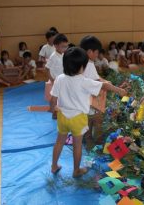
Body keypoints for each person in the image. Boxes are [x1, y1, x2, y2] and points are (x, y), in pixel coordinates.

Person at [50, 47, 126, 177]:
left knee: (59, 142)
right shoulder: (83, 81)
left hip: (62, 116)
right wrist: (118, 90)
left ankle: (54, 166)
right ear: (81, 67)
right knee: (77, 145)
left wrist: (53, 110)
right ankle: (76, 170)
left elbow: (53, 99)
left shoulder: (60, 78)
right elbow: (104, 85)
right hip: (78, 118)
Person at [45, 34, 69, 118]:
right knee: (54, 98)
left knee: (60, 98)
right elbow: (47, 68)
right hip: (55, 80)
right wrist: (51, 79)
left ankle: (55, 112)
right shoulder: (53, 56)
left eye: (66, 47)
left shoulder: (63, 55)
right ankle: (52, 111)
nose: (65, 49)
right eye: (63, 47)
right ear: (55, 46)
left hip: (62, 79)